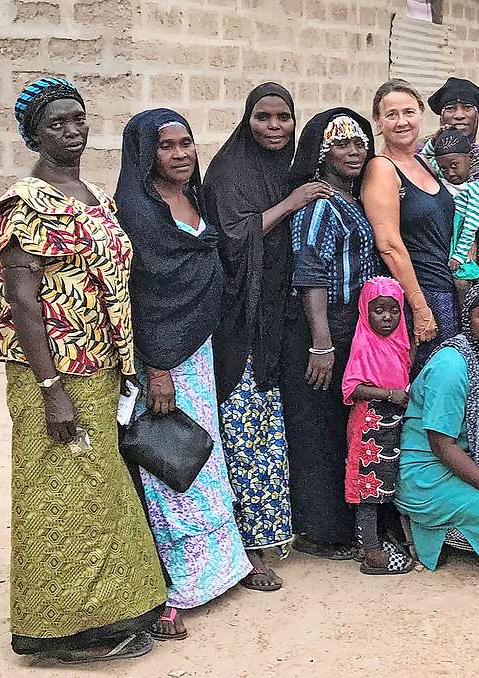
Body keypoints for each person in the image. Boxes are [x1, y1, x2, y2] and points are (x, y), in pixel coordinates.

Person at [0, 78, 165, 662]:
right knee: (57, 496)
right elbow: (22, 300)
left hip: (99, 367)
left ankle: (103, 616)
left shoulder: (91, 193)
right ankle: (59, 630)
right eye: (57, 123)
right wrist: (50, 389)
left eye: (79, 119)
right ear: (34, 133)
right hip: (54, 373)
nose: (72, 130)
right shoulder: (26, 202)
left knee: (98, 492)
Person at [115, 109, 252, 641]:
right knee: (169, 463)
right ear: (145, 153)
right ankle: (178, 585)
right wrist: (157, 368)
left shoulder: (193, 198)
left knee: (203, 455)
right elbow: (146, 294)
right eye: (166, 146)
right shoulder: (137, 209)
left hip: (199, 352)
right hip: (164, 359)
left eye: (186, 143)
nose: (179, 154)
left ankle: (219, 570)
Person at [203, 83, 329, 587]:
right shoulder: (229, 172)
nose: (274, 127)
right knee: (243, 436)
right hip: (239, 327)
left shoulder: (286, 169)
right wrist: (292, 204)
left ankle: (269, 535)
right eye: (263, 117)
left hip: (276, 322)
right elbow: (233, 237)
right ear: (246, 120)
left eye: (283, 118)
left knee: (271, 436)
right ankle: (247, 549)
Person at [281, 108, 380, 559]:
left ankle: (340, 525)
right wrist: (321, 342)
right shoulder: (321, 204)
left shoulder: (351, 200)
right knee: (319, 428)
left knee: (343, 427)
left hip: (351, 325)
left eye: (359, 143)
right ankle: (318, 531)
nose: (354, 151)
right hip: (326, 326)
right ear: (323, 154)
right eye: (342, 144)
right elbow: (310, 271)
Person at [395, 283, 479, 570]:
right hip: (427, 470)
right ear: (468, 322)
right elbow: (441, 445)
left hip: (468, 458)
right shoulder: (452, 367)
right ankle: (417, 524)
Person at [362, 80, 458, 374]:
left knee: (443, 380)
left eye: (409, 112)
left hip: (443, 288)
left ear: (420, 114)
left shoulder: (423, 162)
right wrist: (419, 307)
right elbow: (389, 244)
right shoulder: (381, 168)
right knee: (421, 384)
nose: (402, 122)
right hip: (417, 294)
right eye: (391, 115)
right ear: (379, 121)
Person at [342, 276, 416, 575]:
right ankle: (371, 552)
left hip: (392, 424)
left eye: (394, 310)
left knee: (386, 485)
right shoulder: (363, 343)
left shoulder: (400, 342)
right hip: (369, 423)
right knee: (367, 489)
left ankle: (376, 542)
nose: (387, 317)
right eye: (379, 310)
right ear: (365, 311)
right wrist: (389, 394)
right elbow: (351, 388)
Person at [433, 128, 479, 295]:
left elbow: (472, 223)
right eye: (444, 168)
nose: (450, 172)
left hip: (459, 238)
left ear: (469, 159)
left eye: (455, 166)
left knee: (461, 281)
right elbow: (425, 158)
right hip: (443, 236)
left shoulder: (474, 190)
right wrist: (437, 139)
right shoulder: (441, 179)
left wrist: (459, 255)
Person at [417, 77, 479, 179]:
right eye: (450, 109)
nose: (459, 115)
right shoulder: (418, 151)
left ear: (476, 116)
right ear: (442, 116)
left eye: (467, 108)